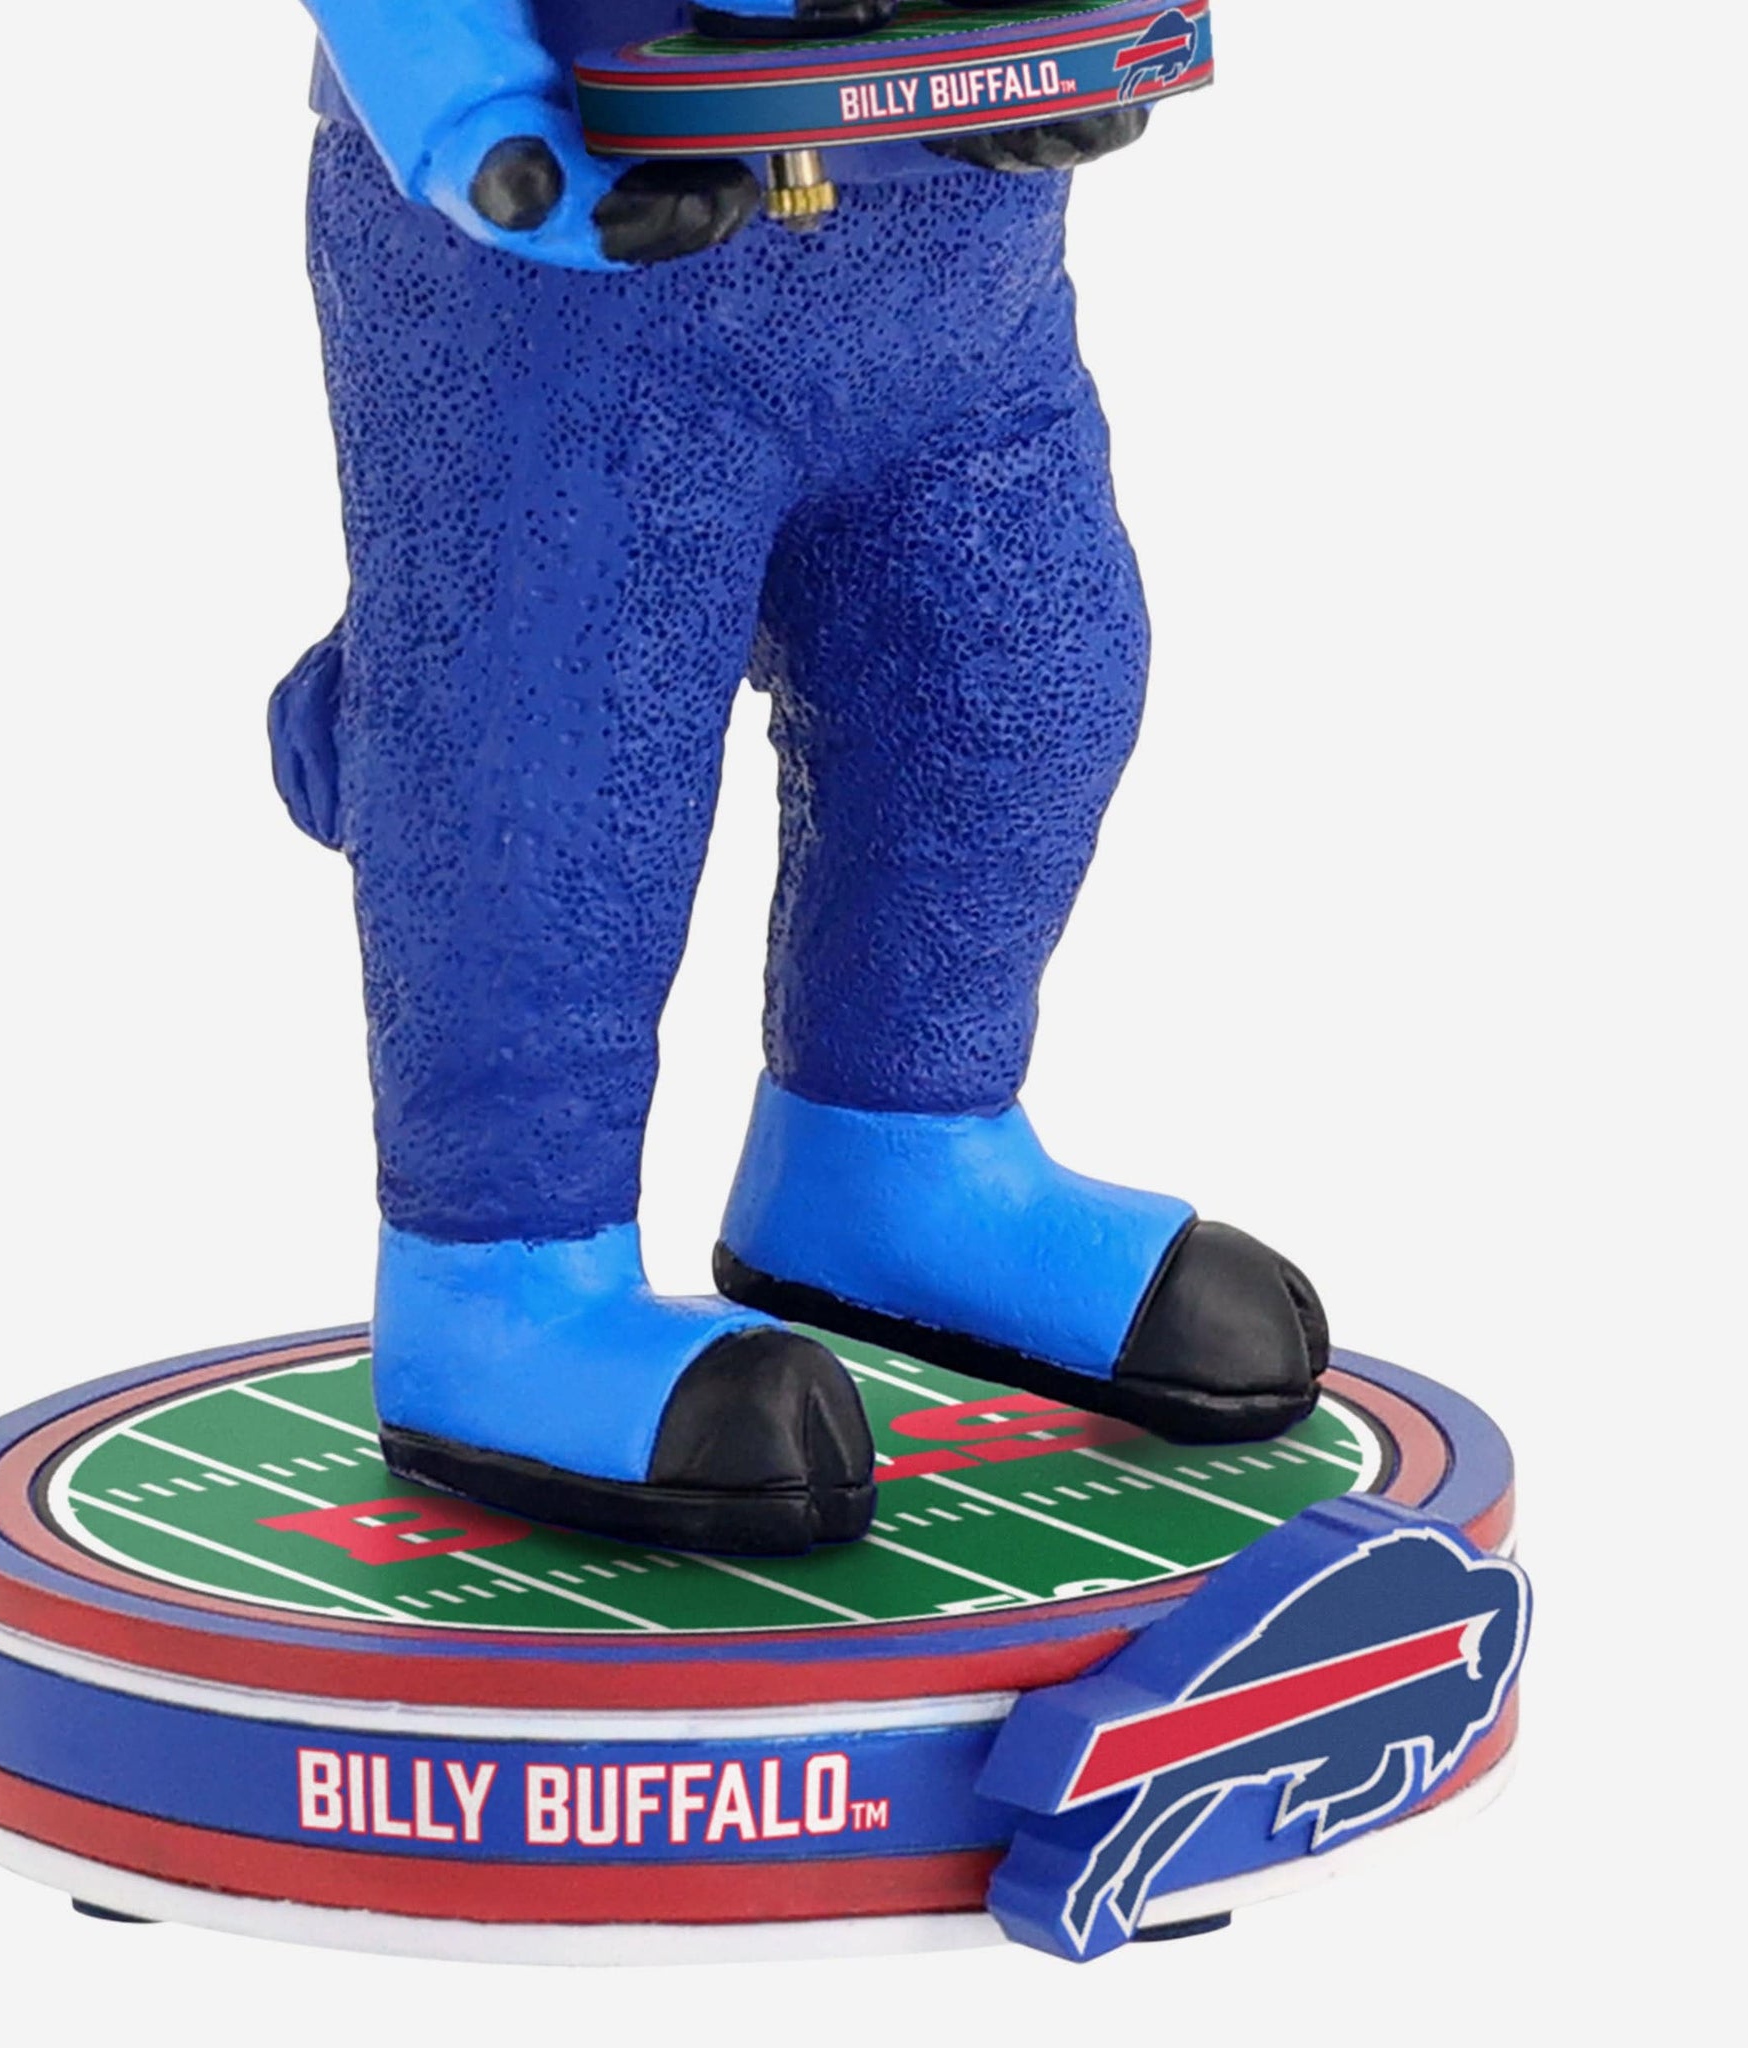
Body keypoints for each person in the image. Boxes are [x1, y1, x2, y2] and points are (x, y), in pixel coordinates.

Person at [270, 0, 1327, 1554]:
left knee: (1021, 671)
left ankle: (896, 1155)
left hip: (953, 277)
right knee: (553, 773)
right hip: (572, 279)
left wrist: (1061, 40)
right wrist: (469, 119)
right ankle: (498, 1281)